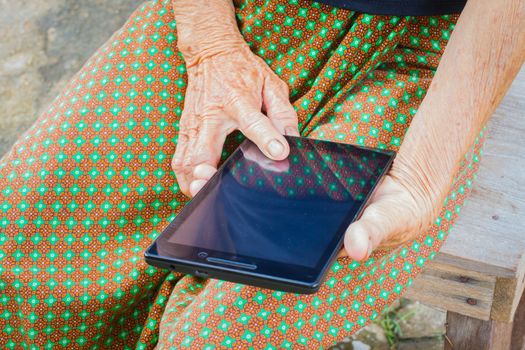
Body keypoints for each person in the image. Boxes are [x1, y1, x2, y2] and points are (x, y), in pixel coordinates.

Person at [0, 0, 522, 348]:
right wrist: (210, 44)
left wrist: (423, 176)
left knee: (223, 334)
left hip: (436, 50)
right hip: (234, 15)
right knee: (19, 240)